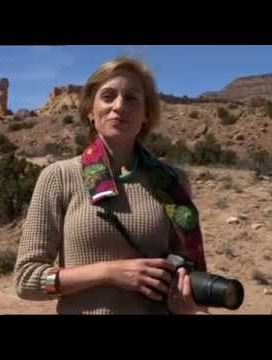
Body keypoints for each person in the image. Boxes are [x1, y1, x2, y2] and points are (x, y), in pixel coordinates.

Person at [14, 57, 208, 315]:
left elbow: (189, 273)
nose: (119, 106)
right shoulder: (59, 177)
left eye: (131, 98)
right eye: (108, 96)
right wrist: (109, 272)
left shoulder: (173, 183)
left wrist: (185, 305)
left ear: (146, 116)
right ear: (90, 112)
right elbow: (27, 280)